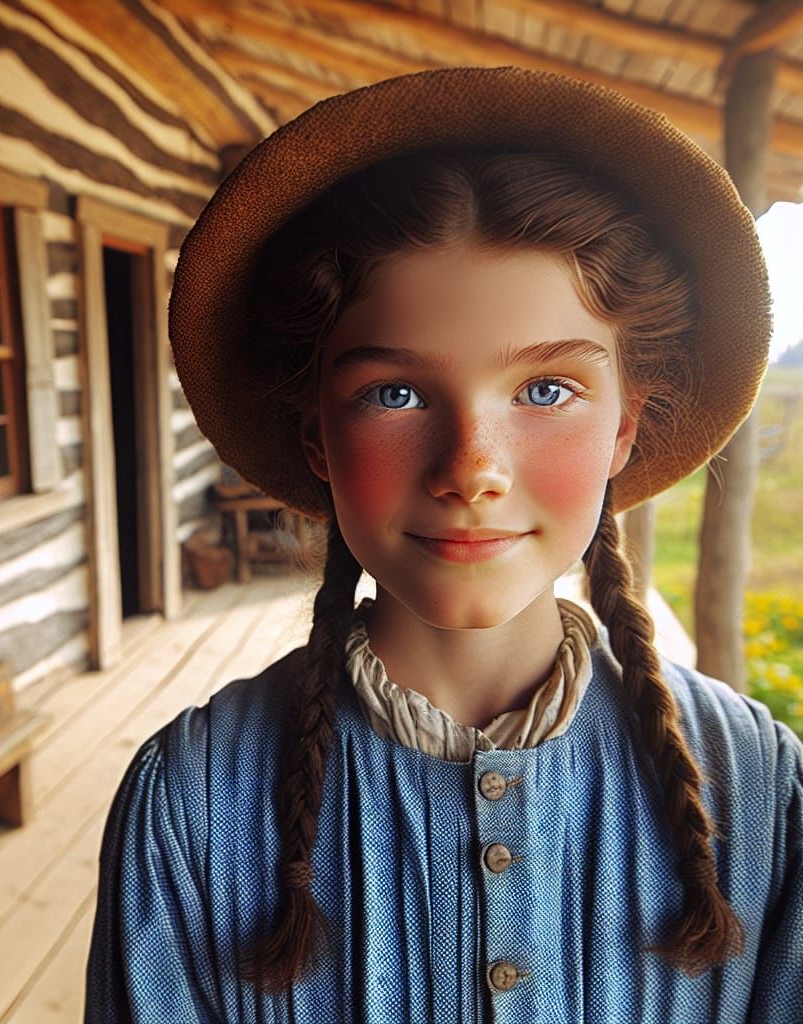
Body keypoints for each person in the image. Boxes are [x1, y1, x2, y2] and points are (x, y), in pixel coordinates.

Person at [85, 66, 801, 1023]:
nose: (472, 467)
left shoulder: (758, 788)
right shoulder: (191, 805)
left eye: (547, 389)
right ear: (317, 437)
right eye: (395, 392)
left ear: (626, 427)